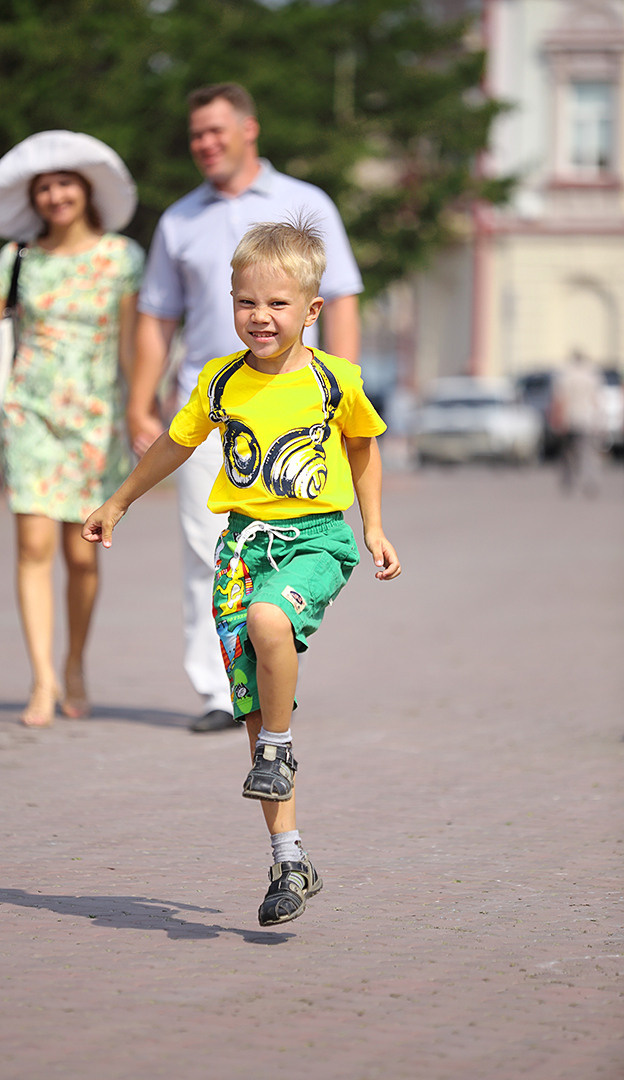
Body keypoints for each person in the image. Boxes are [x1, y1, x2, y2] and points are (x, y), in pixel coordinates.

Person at [82, 218, 401, 927]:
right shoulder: (220, 379)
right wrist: (118, 500)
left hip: (316, 540)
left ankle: (283, 749)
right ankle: (291, 861)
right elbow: (175, 441)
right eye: (246, 302)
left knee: (269, 621)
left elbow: (363, 446)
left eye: (278, 304)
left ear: (312, 311)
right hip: (241, 550)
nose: (260, 317)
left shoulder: (333, 379)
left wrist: (373, 527)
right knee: (254, 716)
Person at [128, 82, 363, 733]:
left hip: (295, 408)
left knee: (288, 551)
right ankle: (217, 690)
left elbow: (340, 298)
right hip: (211, 407)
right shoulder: (179, 220)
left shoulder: (305, 202)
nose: (204, 143)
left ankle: (275, 657)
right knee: (209, 548)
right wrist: (140, 402)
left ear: (248, 130)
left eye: (215, 131)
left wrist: (340, 399)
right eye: (195, 134)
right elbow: (156, 316)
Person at [0, 130, 145, 727]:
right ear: (33, 199)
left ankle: (77, 661)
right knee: (33, 546)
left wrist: (141, 409)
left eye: (64, 183)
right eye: (44, 188)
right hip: (28, 414)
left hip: (96, 419)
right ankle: (42, 681)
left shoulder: (121, 257)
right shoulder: (18, 259)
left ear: (86, 190)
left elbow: (134, 343)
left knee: (81, 557)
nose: (56, 195)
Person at [551, 349, 605, 496]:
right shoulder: (592, 376)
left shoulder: (566, 376)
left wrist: (557, 420)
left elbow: (561, 400)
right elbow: (596, 400)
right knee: (588, 453)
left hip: (570, 420)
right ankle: (591, 481)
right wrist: (599, 421)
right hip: (587, 420)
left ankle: (568, 482)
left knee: (568, 453)